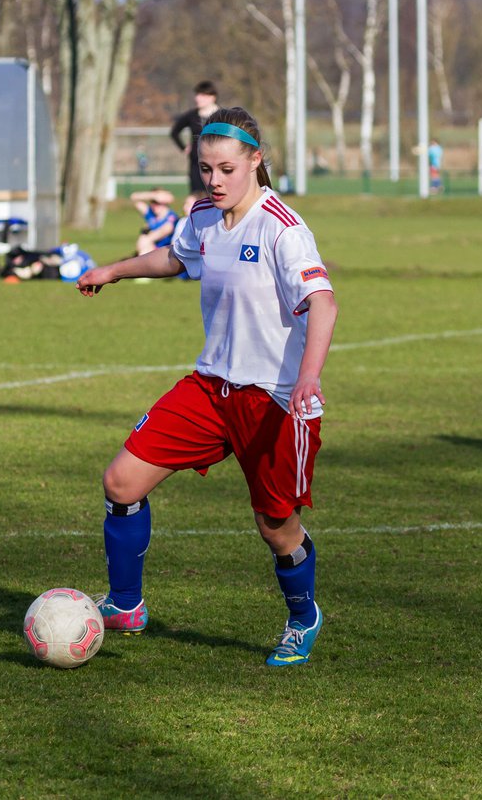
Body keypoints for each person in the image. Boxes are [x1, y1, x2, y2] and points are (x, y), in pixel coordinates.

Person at [76, 107, 338, 667]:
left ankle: (302, 617)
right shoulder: (201, 215)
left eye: (225, 169)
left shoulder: (282, 228)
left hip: (274, 399)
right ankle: (125, 605)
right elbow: (176, 257)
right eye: (205, 169)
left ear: (255, 161)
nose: (214, 181)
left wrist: (308, 376)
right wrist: (113, 271)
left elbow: (323, 302)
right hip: (211, 389)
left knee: (276, 527)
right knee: (122, 482)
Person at [169, 80, 221, 216]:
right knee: (196, 196)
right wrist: (184, 148)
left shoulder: (221, 115)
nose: (198, 98)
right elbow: (174, 132)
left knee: (215, 194)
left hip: (216, 163)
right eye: (197, 95)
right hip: (196, 164)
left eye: (202, 95)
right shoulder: (191, 116)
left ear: (212, 97)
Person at [129, 188, 179, 256]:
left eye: (157, 203)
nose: (154, 205)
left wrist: (146, 238)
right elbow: (133, 197)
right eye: (152, 202)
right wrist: (153, 195)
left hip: (166, 254)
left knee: (144, 242)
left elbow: (164, 231)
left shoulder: (171, 218)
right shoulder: (150, 214)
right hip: (149, 249)